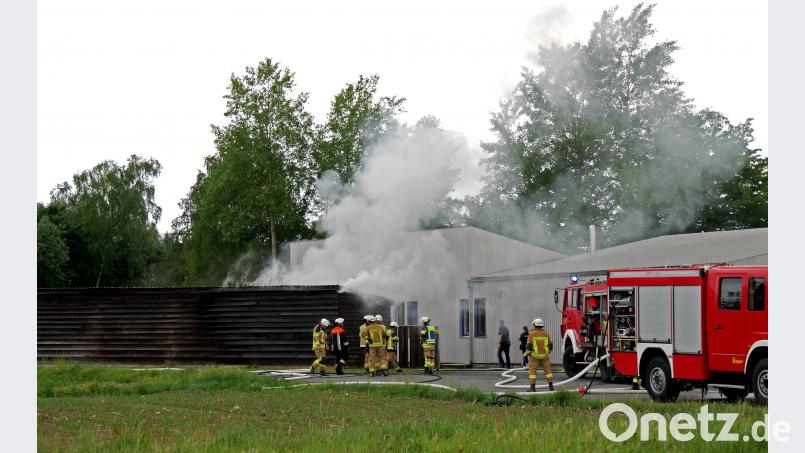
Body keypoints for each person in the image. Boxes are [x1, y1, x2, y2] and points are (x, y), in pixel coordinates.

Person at [525, 317, 554, 392]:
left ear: (534, 325)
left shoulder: (532, 333)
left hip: (534, 356)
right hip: (545, 356)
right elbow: (550, 345)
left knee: (533, 371)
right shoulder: (546, 333)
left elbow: (529, 346)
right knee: (548, 371)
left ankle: (533, 387)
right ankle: (551, 386)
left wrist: (528, 354)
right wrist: (547, 352)